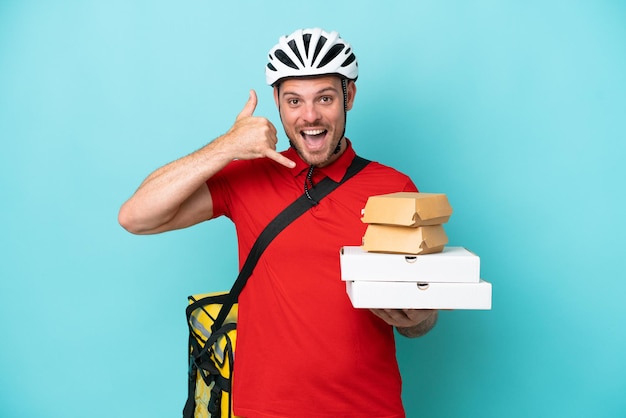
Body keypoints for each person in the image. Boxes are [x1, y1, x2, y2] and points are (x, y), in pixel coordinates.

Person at [119, 27, 438, 418]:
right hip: (263, 410)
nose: (310, 116)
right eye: (294, 101)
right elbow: (136, 216)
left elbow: (418, 319)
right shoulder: (248, 177)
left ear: (348, 97)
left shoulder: (395, 188)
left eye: (325, 98)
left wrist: (420, 319)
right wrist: (227, 145)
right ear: (277, 103)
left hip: (368, 409)